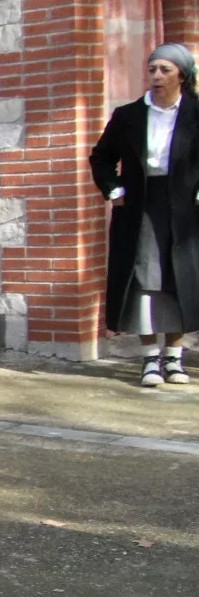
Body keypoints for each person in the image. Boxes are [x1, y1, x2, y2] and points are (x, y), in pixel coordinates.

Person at [90, 43, 199, 388]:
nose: (156, 76)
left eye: (165, 70)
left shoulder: (196, 114)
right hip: (139, 207)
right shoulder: (128, 116)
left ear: (181, 75)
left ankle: (174, 358)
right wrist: (114, 190)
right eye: (152, 69)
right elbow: (101, 157)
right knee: (145, 280)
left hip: (184, 210)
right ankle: (150, 360)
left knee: (177, 279)